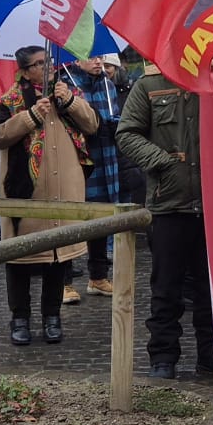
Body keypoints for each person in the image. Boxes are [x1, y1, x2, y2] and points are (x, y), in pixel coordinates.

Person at [0, 47, 99, 344]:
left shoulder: (67, 93)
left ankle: (52, 316)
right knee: (19, 257)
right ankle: (20, 318)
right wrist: (29, 117)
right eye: (38, 64)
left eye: (47, 62)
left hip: (64, 192)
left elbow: (92, 124)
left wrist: (70, 102)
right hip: (25, 194)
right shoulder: (11, 101)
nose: (46, 67)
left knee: (57, 256)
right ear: (25, 71)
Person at [117, 63, 213, 380]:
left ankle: (212, 356)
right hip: (168, 204)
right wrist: (162, 163)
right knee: (165, 288)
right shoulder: (148, 85)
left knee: (210, 290)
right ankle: (163, 356)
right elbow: (127, 133)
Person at [64, 53, 134, 298]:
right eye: (92, 57)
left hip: (107, 160)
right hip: (78, 162)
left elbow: (113, 115)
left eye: (101, 57)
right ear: (76, 59)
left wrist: (117, 124)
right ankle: (65, 282)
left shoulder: (107, 83)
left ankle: (98, 277)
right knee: (70, 222)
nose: (98, 62)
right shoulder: (66, 83)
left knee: (102, 219)